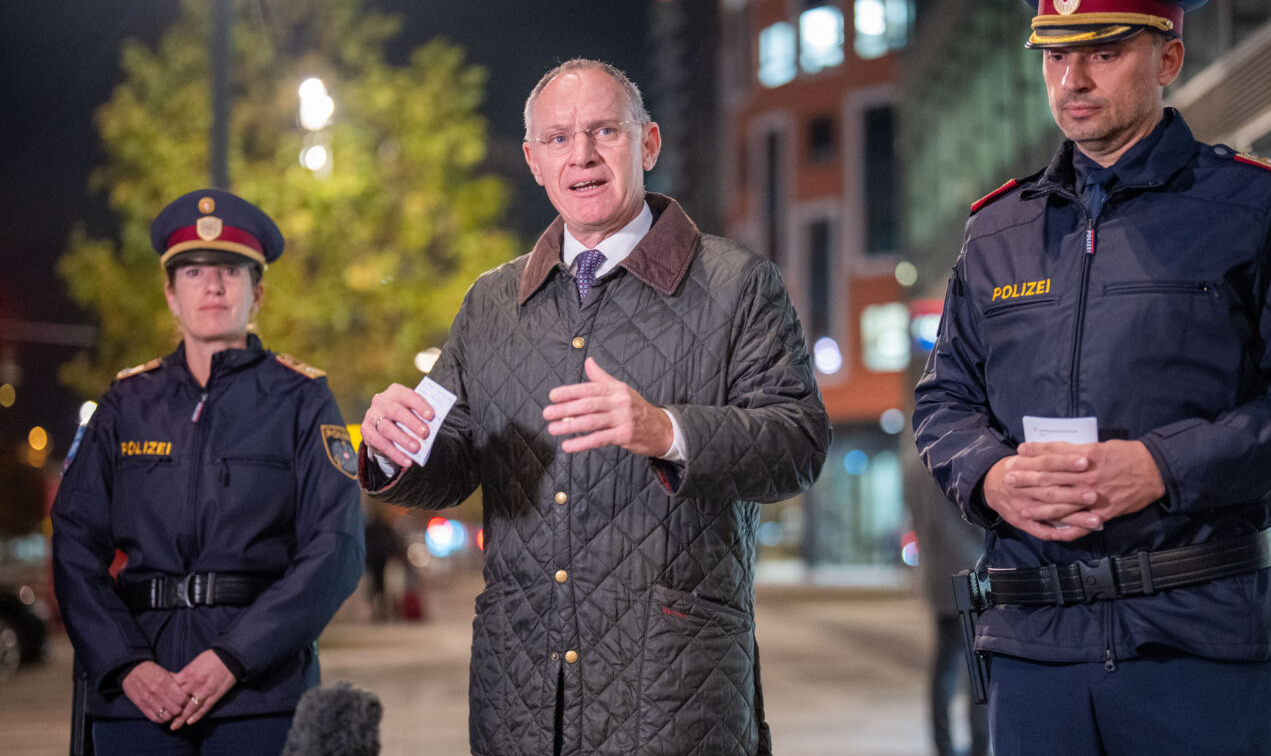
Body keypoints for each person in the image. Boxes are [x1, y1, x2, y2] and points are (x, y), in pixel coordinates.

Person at [912, 0, 1271, 755]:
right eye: (1055, 57)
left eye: (1104, 51)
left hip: (1198, 644)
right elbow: (943, 397)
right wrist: (992, 475)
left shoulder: (1256, 207)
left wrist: (1164, 467)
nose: (1073, 79)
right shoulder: (998, 231)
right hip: (1034, 649)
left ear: (1169, 57)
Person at [360, 58, 830, 755]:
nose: (580, 155)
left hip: (674, 690)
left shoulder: (737, 285)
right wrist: (395, 448)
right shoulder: (490, 304)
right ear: (532, 160)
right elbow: (454, 464)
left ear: (648, 144)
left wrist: (665, 430)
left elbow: (798, 443)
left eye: (603, 130)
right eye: (557, 138)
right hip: (519, 690)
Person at [52, 189, 366, 755]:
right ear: (172, 296)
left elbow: (336, 547)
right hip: (137, 695)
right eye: (194, 272)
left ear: (258, 293)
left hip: (261, 692)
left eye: (230, 271)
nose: (214, 286)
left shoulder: (302, 399)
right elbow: (74, 543)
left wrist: (233, 656)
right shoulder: (126, 403)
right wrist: (124, 664)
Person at [901, 450, 988, 756]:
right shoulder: (957, 456)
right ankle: (980, 745)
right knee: (979, 668)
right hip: (971, 573)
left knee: (944, 667)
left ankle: (944, 745)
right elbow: (978, 519)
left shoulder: (912, 463)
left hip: (937, 576)